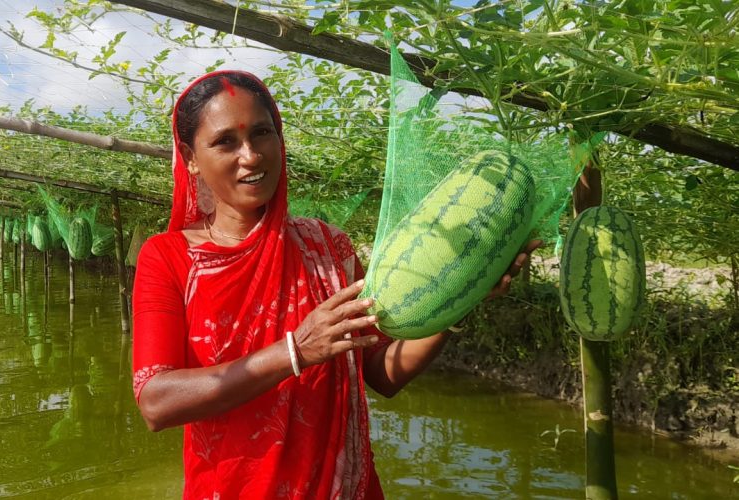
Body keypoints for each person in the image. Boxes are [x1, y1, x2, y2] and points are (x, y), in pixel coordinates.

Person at [131, 70, 539, 499]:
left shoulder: (328, 247)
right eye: (225, 142)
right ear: (190, 156)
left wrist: (460, 300)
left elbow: (381, 372)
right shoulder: (169, 258)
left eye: (262, 133)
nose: (250, 156)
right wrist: (295, 352)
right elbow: (157, 402)